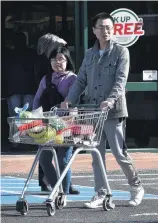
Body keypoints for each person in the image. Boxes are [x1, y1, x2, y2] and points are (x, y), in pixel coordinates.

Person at [61, 12, 144, 208]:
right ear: (94, 31)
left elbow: (120, 81)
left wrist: (110, 100)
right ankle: (101, 193)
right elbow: (81, 80)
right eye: (102, 27)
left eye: (109, 27)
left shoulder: (121, 52)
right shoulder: (90, 54)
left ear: (113, 29)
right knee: (96, 154)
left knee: (119, 153)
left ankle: (136, 186)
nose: (106, 31)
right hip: (93, 112)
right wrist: (69, 100)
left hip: (113, 112)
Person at [34, 33, 80, 195]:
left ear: (68, 61)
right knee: (45, 159)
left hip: (66, 124)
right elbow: (37, 99)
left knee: (62, 160)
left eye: (61, 59)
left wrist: (71, 111)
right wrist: (35, 117)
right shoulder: (46, 79)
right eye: (54, 60)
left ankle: (65, 192)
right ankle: (57, 189)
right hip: (48, 126)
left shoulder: (73, 79)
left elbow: (76, 100)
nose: (57, 63)